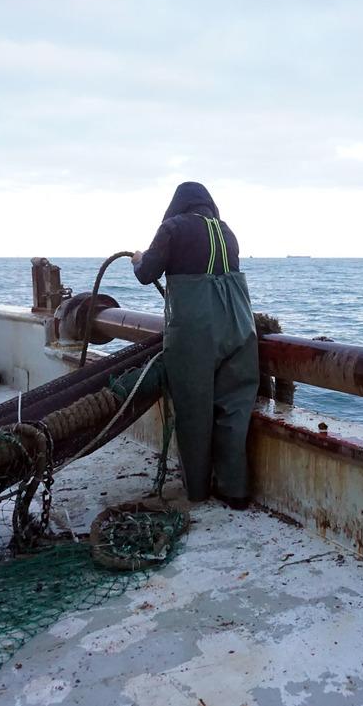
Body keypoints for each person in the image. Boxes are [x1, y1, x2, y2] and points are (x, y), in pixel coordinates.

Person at [132, 182, 259, 509]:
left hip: (196, 332)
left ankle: (199, 490)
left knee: (193, 410)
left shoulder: (172, 227)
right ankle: (236, 491)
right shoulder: (227, 232)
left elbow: (148, 274)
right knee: (235, 407)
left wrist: (138, 259)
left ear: (178, 204)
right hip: (241, 327)